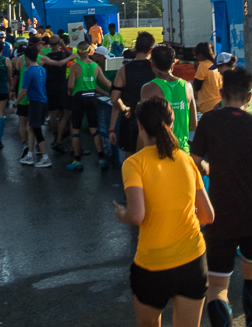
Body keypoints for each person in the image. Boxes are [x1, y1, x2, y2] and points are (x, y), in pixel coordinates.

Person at [190, 68, 252, 327]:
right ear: (249, 96)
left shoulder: (208, 122)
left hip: (220, 212)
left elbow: (194, 163)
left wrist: (211, 169)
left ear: (221, 93)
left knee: (218, 285)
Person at [115, 96, 214, 327]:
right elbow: (208, 215)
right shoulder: (187, 160)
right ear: (171, 124)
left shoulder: (134, 163)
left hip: (153, 266)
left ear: (140, 125)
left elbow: (136, 215)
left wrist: (121, 214)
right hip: (193, 260)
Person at [65, 41, 113, 172]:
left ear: (78, 53)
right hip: (91, 98)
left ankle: (78, 160)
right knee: (94, 128)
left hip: (78, 99)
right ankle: (101, 159)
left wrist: (70, 91)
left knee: (76, 129)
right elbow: (107, 83)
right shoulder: (95, 66)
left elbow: (70, 85)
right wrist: (113, 93)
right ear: (89, 52)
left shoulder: (75, 66)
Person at [141, 45, 197, 155]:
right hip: (183, 153)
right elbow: (193, 124)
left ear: (153, 63)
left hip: (159, 153)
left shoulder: (148, 89)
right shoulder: (187, 86)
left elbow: (144, 127)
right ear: (173, 64)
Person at [109, 31, 157, 158]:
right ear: (151, 49)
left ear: (136, 48)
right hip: (151, 119)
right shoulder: (156, 69)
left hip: (131, 118)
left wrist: (124, 109)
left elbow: (114, 98)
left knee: (130, 155)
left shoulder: (124, 69)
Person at [14, 46, 53, 168]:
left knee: (36, 129)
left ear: (26, 57)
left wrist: (15, 104)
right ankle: (30, 155)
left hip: (35, 103)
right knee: (31, 127)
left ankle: (45, 157)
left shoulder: (28, 72)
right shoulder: (42, 69)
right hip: (43, 102)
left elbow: (23, 91)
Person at [191, 42, 221, 116]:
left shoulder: (203, 65)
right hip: (219, 104)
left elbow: (196, 87)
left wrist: (196, 70)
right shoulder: (216, 66)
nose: (196, 58)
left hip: (208, 106)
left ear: (201, 55)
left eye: (196, 56)